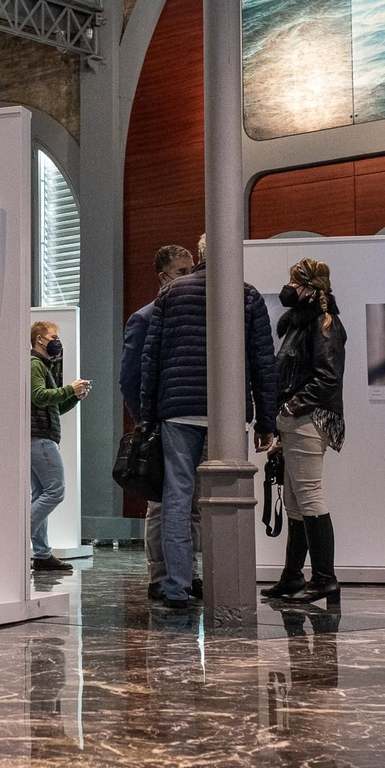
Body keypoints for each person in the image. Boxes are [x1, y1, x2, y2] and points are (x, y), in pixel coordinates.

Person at [139, 233, 278, 609]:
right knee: (227, 498)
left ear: (200, 255)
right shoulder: (247, 295)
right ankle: (226, 584)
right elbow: (264, 363)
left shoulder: (171, 294)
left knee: (177, 498)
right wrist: (267, 422)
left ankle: (176, 586)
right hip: (228, 414)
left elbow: (152, 360)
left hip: (178, 410)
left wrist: (148, 415)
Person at [265, 260, 346, 604]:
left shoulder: (325, 326)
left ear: (311, 290)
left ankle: (325, 578)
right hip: (297, 421)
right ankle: (293, 577)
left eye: (295, 284)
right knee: (298, 503)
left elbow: (327, 378)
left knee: (310, 497)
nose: (289, 289)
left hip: (309, 420)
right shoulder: (303, 326)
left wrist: (290, 408)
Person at [120, 244, 196, 600]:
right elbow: (129, 378)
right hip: (160, 421)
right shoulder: (144, 317)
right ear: (164, 277)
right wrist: (145, 419)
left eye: (191, 269)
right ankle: (159, 574)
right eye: (182, 272)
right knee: (161, 503)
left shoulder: (189, 315)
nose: (189, 276)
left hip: (178, 419)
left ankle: (185, 572)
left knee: (187, 503)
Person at [29, 321, 90, 572]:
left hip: (41, 436)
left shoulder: (43, 366)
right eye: (53, 336)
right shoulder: (35, 365)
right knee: (55, 491)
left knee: (41, 493)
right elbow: (39, 396)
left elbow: (53, 406)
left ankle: (42, 554)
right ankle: (17, 533)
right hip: (40, 437)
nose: (57, 342)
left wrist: (73, 397)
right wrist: (68, 389)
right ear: (40, 340)